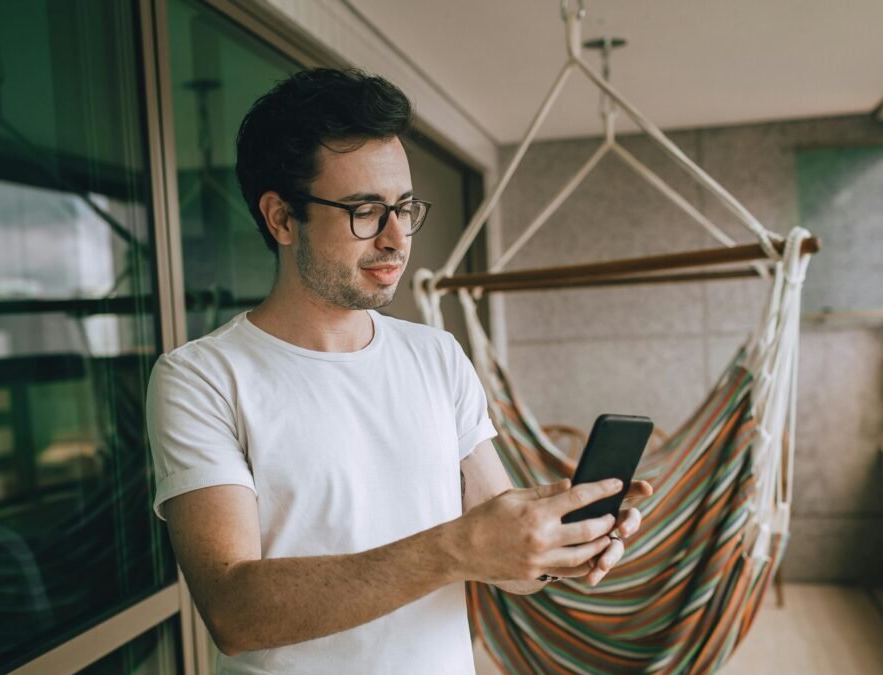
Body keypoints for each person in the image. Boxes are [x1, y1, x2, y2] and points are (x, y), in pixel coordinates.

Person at [145, 68, 651, 674]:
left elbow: (504, 558)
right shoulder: (200, 379)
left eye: (404, 208)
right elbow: (234, 612)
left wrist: (552, 546)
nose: (395, 239)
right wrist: (457, 548)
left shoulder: (437, 356)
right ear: (281, 218)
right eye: (365, 211)